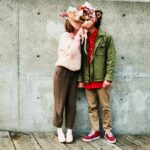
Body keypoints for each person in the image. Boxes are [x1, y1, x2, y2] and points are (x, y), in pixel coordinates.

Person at [78, 10, 117, 144]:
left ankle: (107, 130)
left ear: (94, 20)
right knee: (92, 107)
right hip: (87, 78)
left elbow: (111, 59)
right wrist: (80, 79)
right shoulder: (82, 37)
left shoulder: (106, 37)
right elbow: (80, 60)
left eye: (88, 18)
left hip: (101, 79)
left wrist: (108, 78)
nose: (84, 21)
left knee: (105, 106)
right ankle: (95, 131)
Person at [53, 17, 83, 143]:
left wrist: (80, 78)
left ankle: (69, 130)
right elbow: (70, 52)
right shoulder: (65, 36)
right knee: (60, 103)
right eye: (77, 24)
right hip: (62, 71)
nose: (79, 26)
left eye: (80, 24)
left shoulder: (81, 38)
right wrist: (77, 38)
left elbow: (82, 59)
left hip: (74, 73)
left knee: (71, 104)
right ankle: (59, 130)